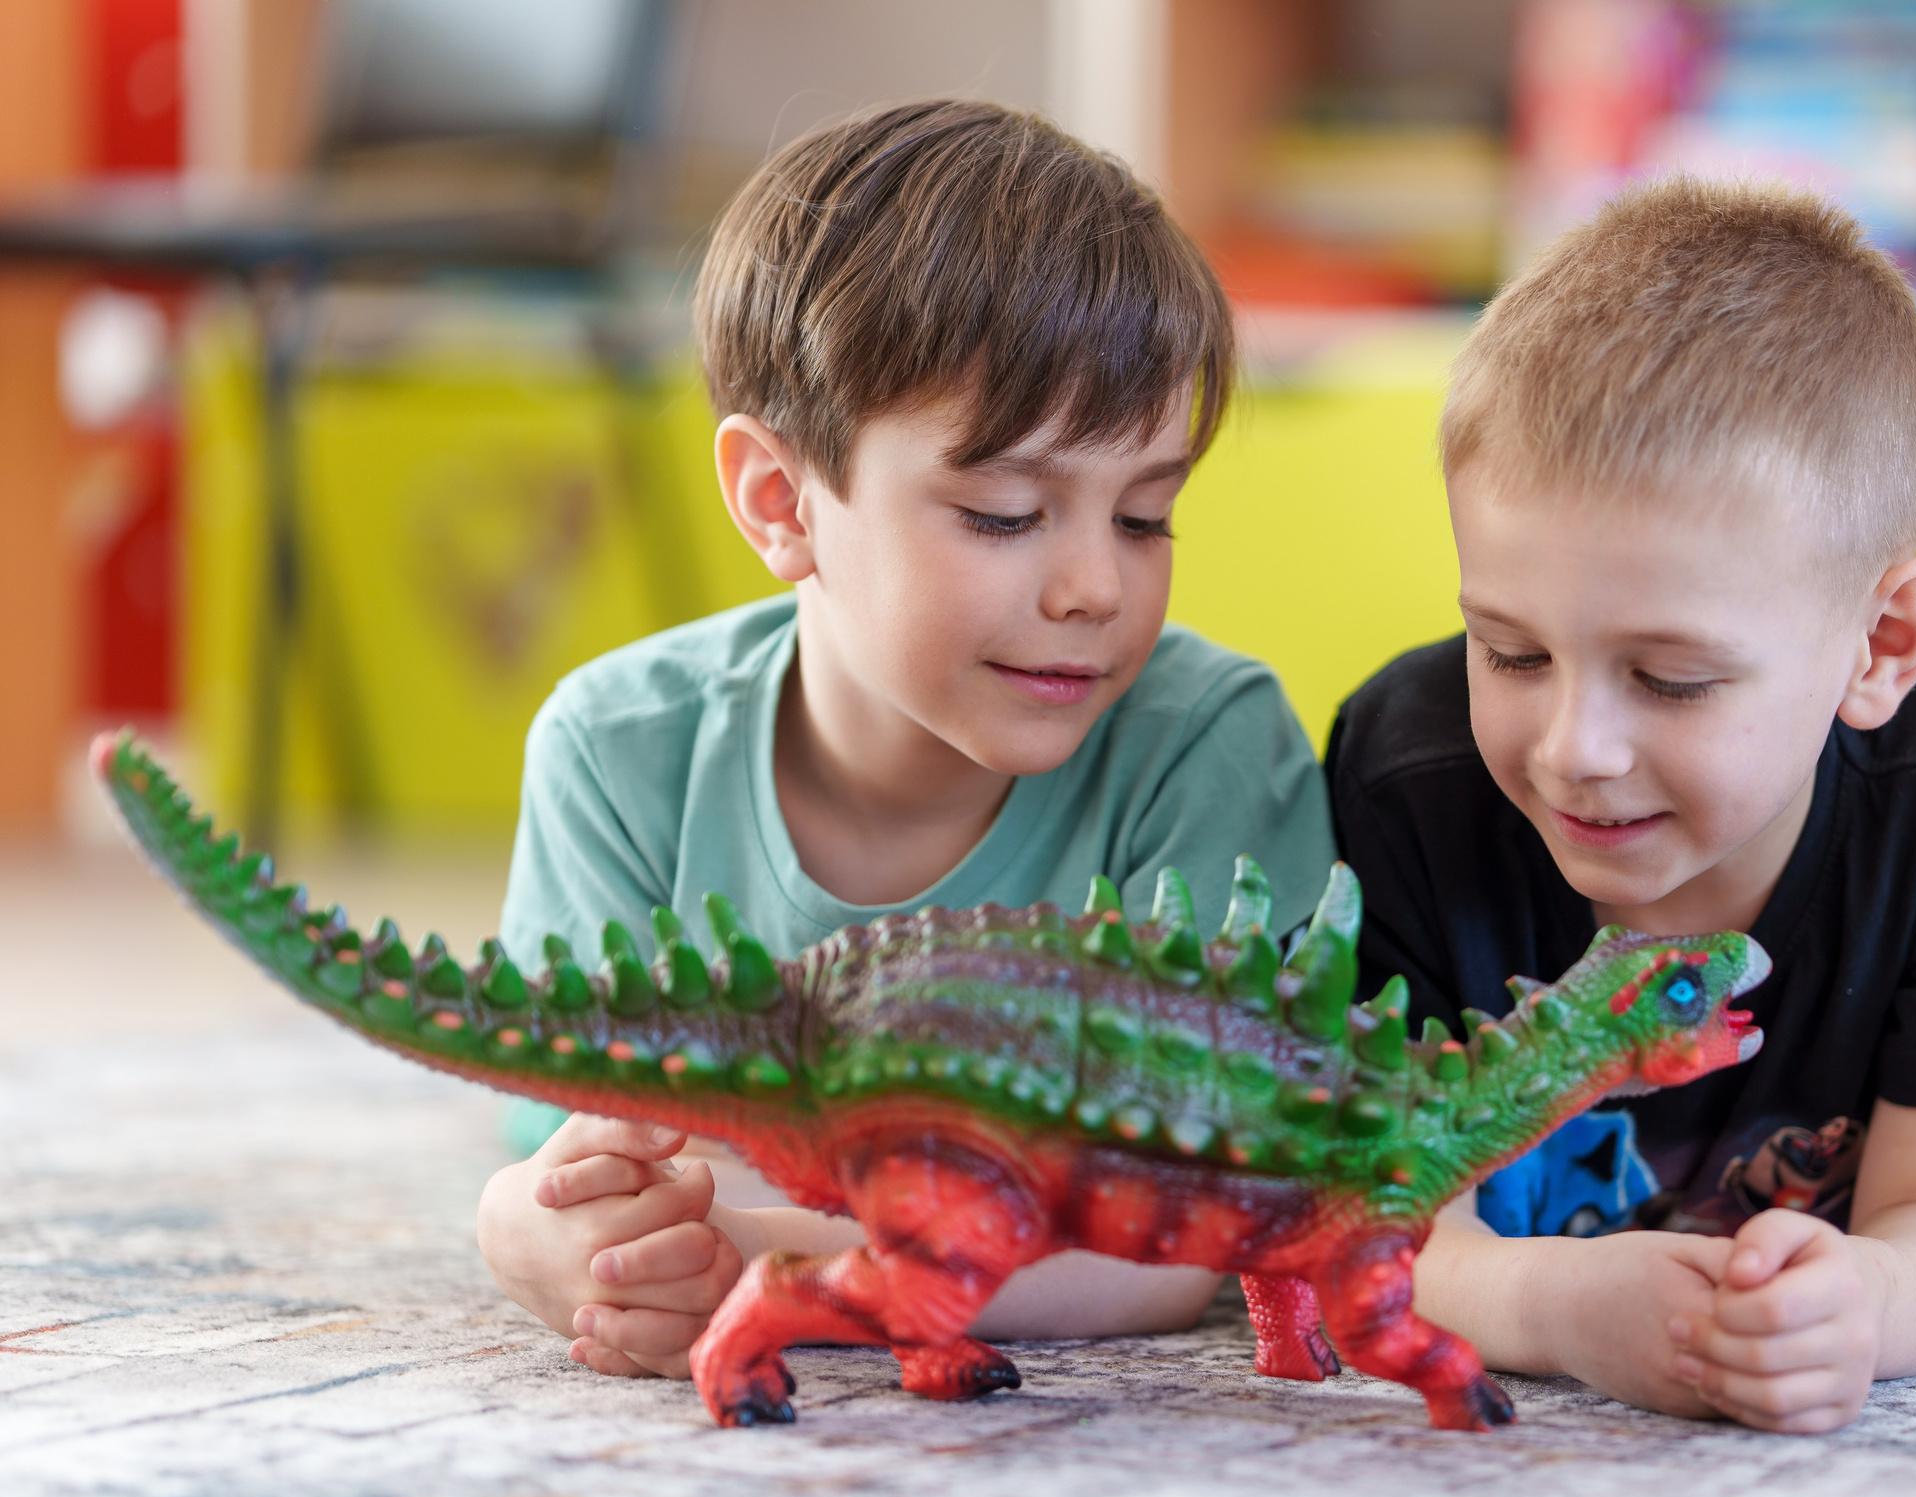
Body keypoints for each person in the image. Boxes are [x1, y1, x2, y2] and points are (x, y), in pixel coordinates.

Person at [476, 100, 1335, 1382]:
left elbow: (1177, 1240)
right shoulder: (619, 753)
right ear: (782, 502)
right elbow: (577, 1165)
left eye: (1147, 515)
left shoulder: (1205, 746)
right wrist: (530, 1238)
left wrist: (760, 1258)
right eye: (1002, 514)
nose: (1096, 586)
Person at [1325, 177, 1916, 1434]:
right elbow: (1366, 1225)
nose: (1574, 750)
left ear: (1882, 644)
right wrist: (1551, 1304)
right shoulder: (1406, 780)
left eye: (1672, 679)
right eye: (1511, 654)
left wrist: (1864, 1300)